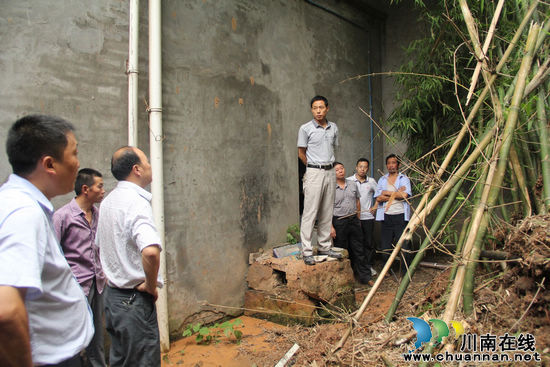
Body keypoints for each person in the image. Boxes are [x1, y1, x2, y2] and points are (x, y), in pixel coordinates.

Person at [0, 114, 94, 367]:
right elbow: (6, 310)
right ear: (50, 164)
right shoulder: (24, 213)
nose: (77, 163)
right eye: (74, 153)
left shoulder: (15, 202)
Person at [96, 146, 163, 367]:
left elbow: (99, 246)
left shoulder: (108, 201)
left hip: (112, 298)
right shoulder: (136, 202)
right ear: (137, 169)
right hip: (133, 301)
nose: (150, 166)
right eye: (147, 161)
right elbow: (151, 251)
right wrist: (150, 286)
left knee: (121, 359)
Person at [53, 168, 107, 367]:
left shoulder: (97, 214)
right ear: (86, 189)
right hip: (75, 287)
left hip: (98, 283)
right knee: (73, 338)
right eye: (99, 186)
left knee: (97, 337)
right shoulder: (63, 217)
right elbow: (54, 253)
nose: (103, 190)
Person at [297, 95, 343, 265]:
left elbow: (333, 148)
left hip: (330, 171)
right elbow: (301, 152)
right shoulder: (305, 128)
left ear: (327, 108)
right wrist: (313, 167)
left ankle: (324, 246)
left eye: (321, 107)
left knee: (326, 210)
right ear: (311, 110)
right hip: (314, 172)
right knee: (310, 212)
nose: (318, 111)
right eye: (315, 108)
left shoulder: (333, 128)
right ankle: (307, 250)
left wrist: (327, 167)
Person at [331, 162, 372, 284]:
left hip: (354, 220)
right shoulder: (330, 188)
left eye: (342, 168)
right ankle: (344, 280)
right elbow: (326, 209)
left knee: (359, 249)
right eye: (337, 170)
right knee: (341, 251)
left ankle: (365, 277)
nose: (340, 171)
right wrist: (331, 226)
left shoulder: (352, 184)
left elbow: (358, 201)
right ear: (333, 173)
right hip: (339, 221)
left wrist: (358, 218)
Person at [374, 154, 412, 275]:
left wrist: (387, 192)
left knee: (404, 244)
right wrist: (396, 192)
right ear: (386, 165)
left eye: (393, 163)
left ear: (398, 165)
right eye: (389, 163)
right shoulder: (382, 179)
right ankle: (387, 270)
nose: (391, 165)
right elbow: (379, 197)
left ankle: (405, 271)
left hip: (400, 216)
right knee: (385, 247)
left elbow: (405, 196)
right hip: (386, 216)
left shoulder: (404, 178)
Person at [348, 158, 378, 276]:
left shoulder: (371, 181)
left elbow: (379, 195)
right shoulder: (349, 180)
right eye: (360, 166)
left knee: (368, 243)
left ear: (368, 169)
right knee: (355, 243)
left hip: (367, 217)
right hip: (353, 218)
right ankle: (355, 268)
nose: (362, 169)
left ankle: (368, 266)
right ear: (356, 167)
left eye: (365, 167)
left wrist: (375, 206)